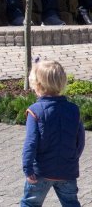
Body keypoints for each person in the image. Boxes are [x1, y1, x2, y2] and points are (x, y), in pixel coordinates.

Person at [21, 60, 85, 206]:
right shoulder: (73, 109)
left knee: (30, 204)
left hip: (40, 172)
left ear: (38, 86)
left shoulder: (35, 111)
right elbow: (80, 140)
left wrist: (27, 168)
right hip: (67, 170)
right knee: (70, 203)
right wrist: (72, 159)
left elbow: (30, 143)